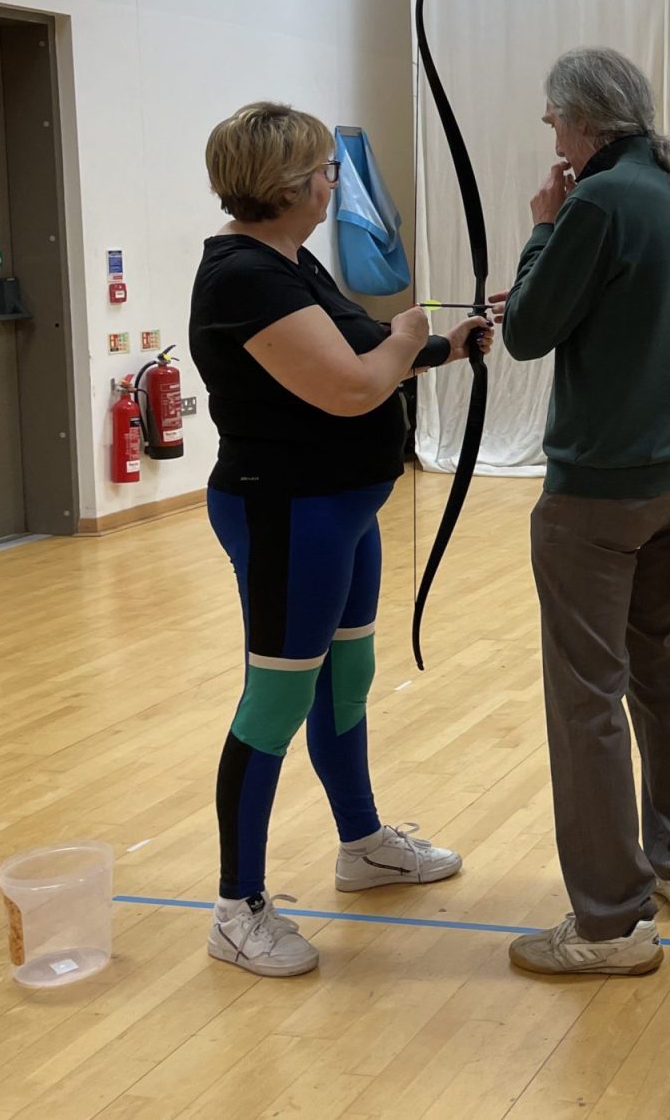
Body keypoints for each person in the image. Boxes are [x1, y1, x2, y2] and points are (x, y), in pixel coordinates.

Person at [190, 101, 487, 977]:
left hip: (344, 511)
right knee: (275, 701)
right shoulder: (243, 275)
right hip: (288, 512)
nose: (333, 182)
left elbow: (354, 345)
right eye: (325, 170)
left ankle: (361, 844)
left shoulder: (288, 261)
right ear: (287, 184)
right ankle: (235, 904)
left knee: (347, 675)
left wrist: (440, 345)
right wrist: (403, 339)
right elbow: (355, 386)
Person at [491, 48, 670, 978]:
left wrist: (542, 230)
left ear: (584, 123)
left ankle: (609, 922)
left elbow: (525, 332)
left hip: (597, 495)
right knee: (659, 673)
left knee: (587, 697)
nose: (551, 138)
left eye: (554, 122)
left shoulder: (595, 201)